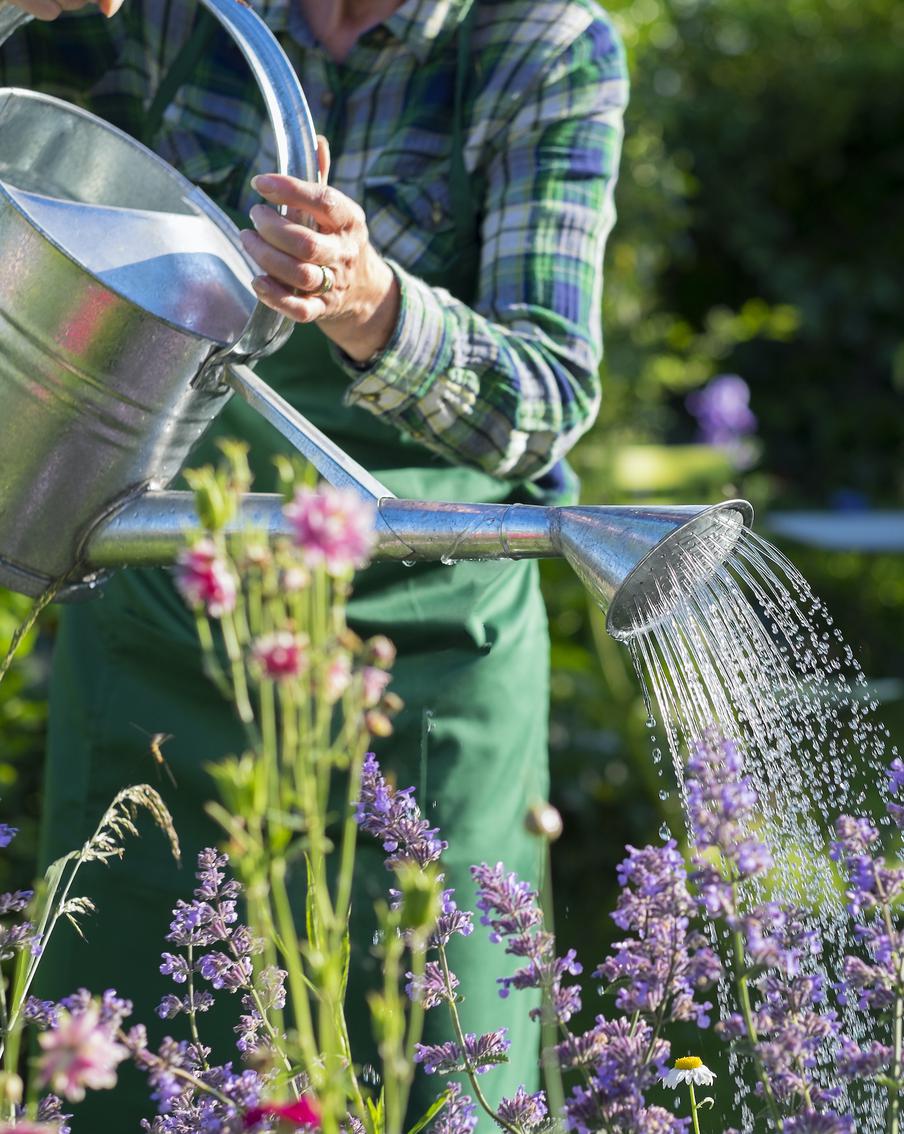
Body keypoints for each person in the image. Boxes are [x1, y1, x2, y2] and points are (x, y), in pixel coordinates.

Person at [0, 0, 628, 1126]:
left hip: (420, 657)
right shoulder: (169, 14)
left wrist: (371, 303)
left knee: (431, 1076)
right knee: (120, 1072)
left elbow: (546, 401)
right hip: (167, 615)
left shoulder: (539, 41)